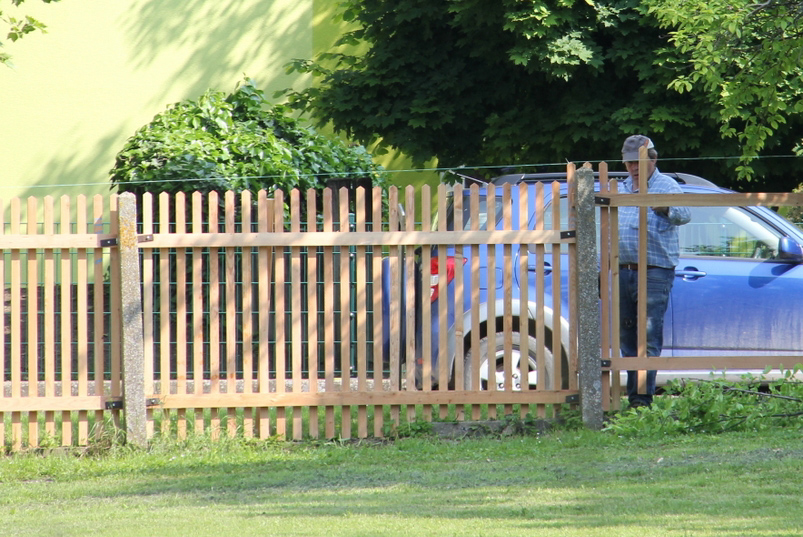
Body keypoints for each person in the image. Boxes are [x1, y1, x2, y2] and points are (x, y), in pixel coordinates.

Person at [618, 135, 691, 408]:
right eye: (629, 163)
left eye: (638, 162)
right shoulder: (622, 187)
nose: (633, 168)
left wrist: (664, 206)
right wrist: (603, 269)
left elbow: (685, 214)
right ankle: (633, 397)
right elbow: (609, 231)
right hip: (623, 270)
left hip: (654, 271)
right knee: (627, 336)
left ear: (653, 159)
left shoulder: (666, 185)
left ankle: (642, 399)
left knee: (647, 335)